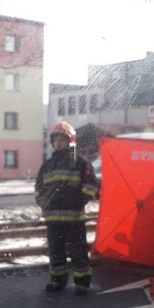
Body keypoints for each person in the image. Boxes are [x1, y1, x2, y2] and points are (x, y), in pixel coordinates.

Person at [34, 121, 99, 295]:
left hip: (73, 218)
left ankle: (82, 283)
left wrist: (77, 201)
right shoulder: (47, 165)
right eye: (55, 140)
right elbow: (38, 188)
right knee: (56, 251)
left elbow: (91, 186)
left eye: (62, 139)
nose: (58, 143)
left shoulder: (80, 163)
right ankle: (57, 281)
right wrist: (42, 202)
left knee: (77, 251)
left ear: (70, 141)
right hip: (53, 218)